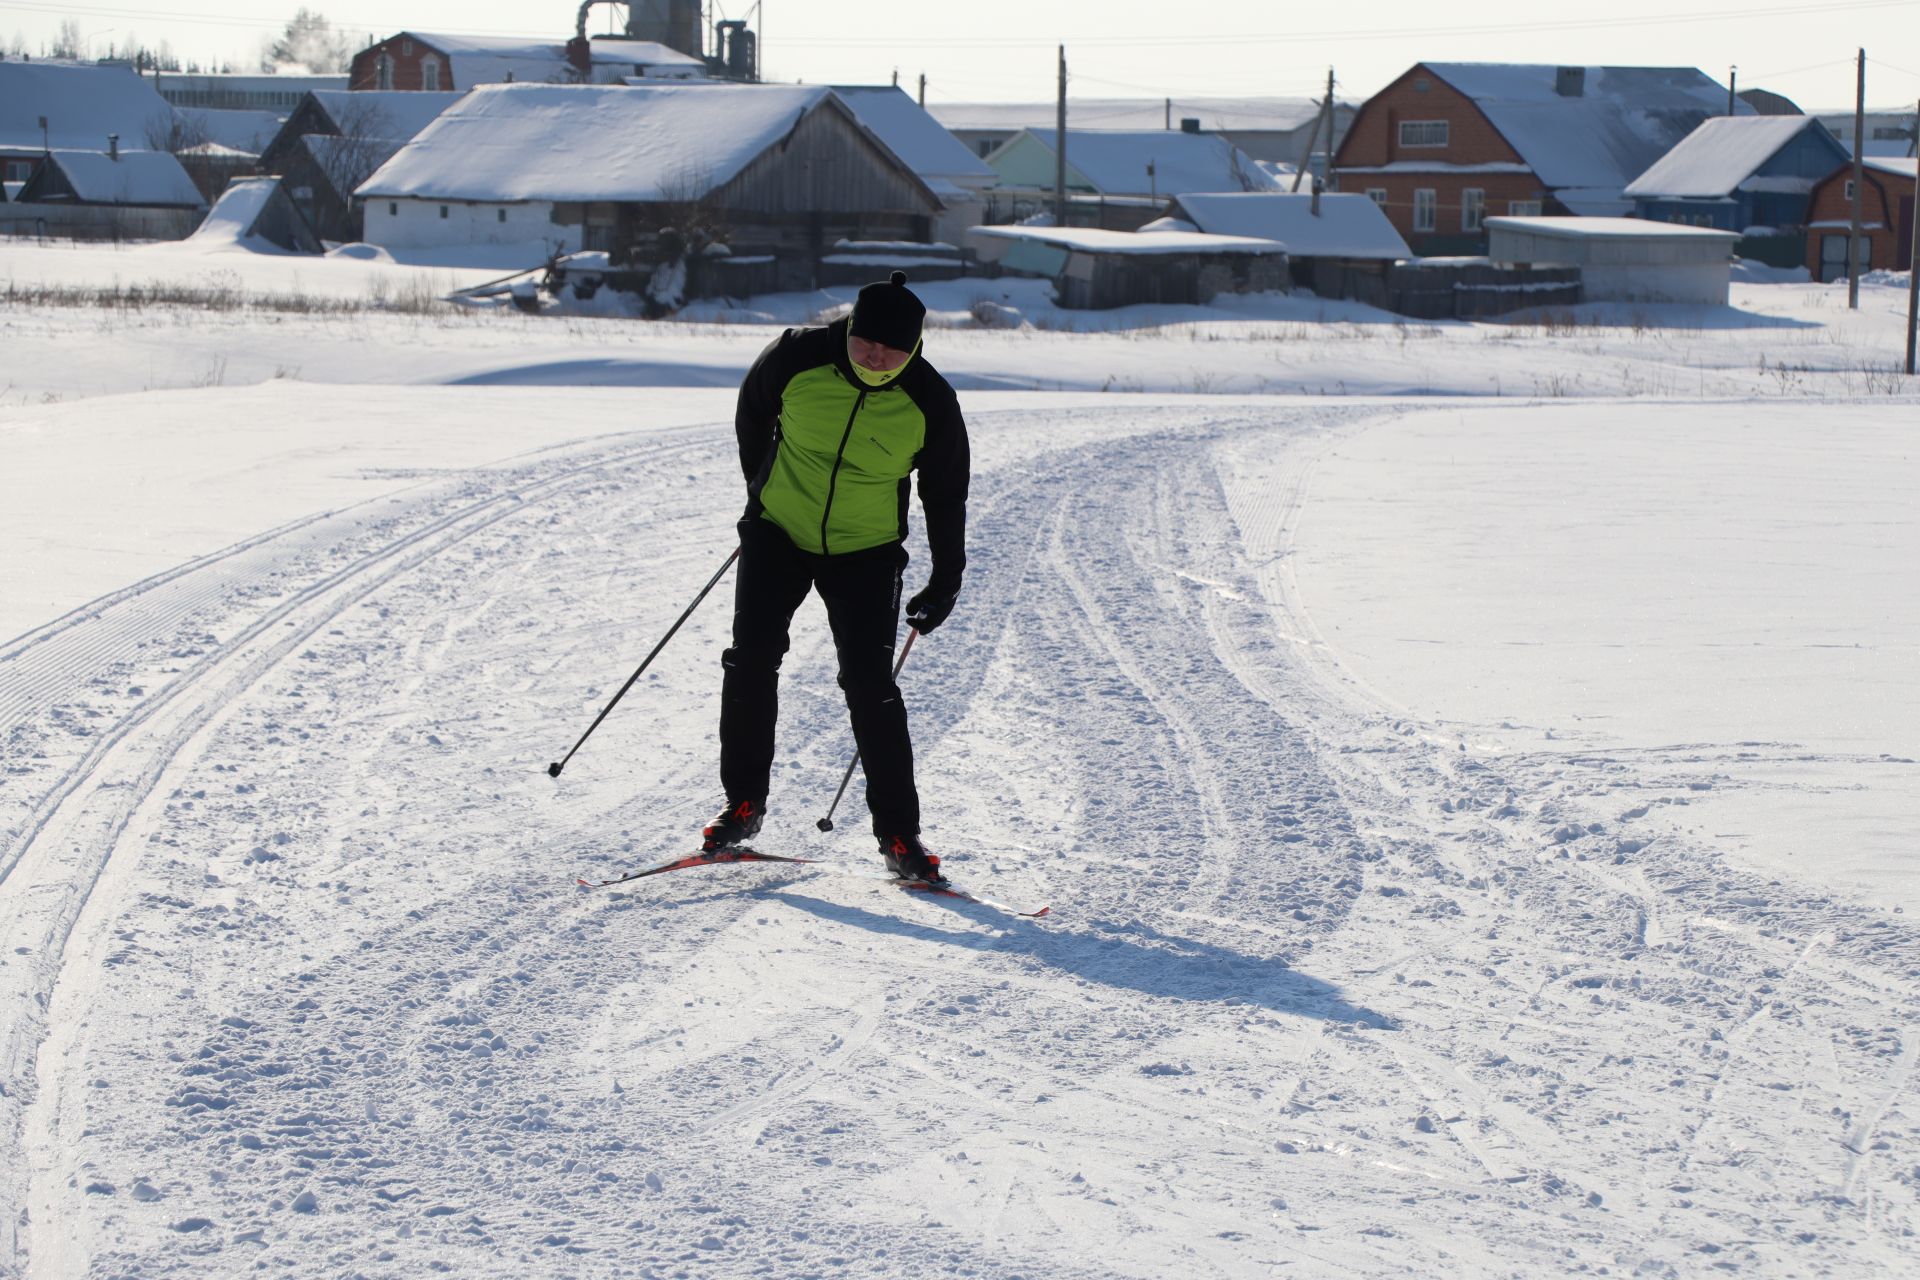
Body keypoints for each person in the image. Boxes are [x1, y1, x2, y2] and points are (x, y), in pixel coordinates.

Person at [701, 271, 970, 883]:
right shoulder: (798, 356)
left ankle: (900, 835)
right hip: (779, 532)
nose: (877, 358)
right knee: (750, 660)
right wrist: (760, 492)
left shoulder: (929, 400)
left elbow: (946, 492)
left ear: (916, 349)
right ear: (849, 330)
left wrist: (946, 575)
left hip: (866, 549)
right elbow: (753, 412)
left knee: (870, 685)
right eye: (867, 342)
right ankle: (742, 804)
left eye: (893, 349)